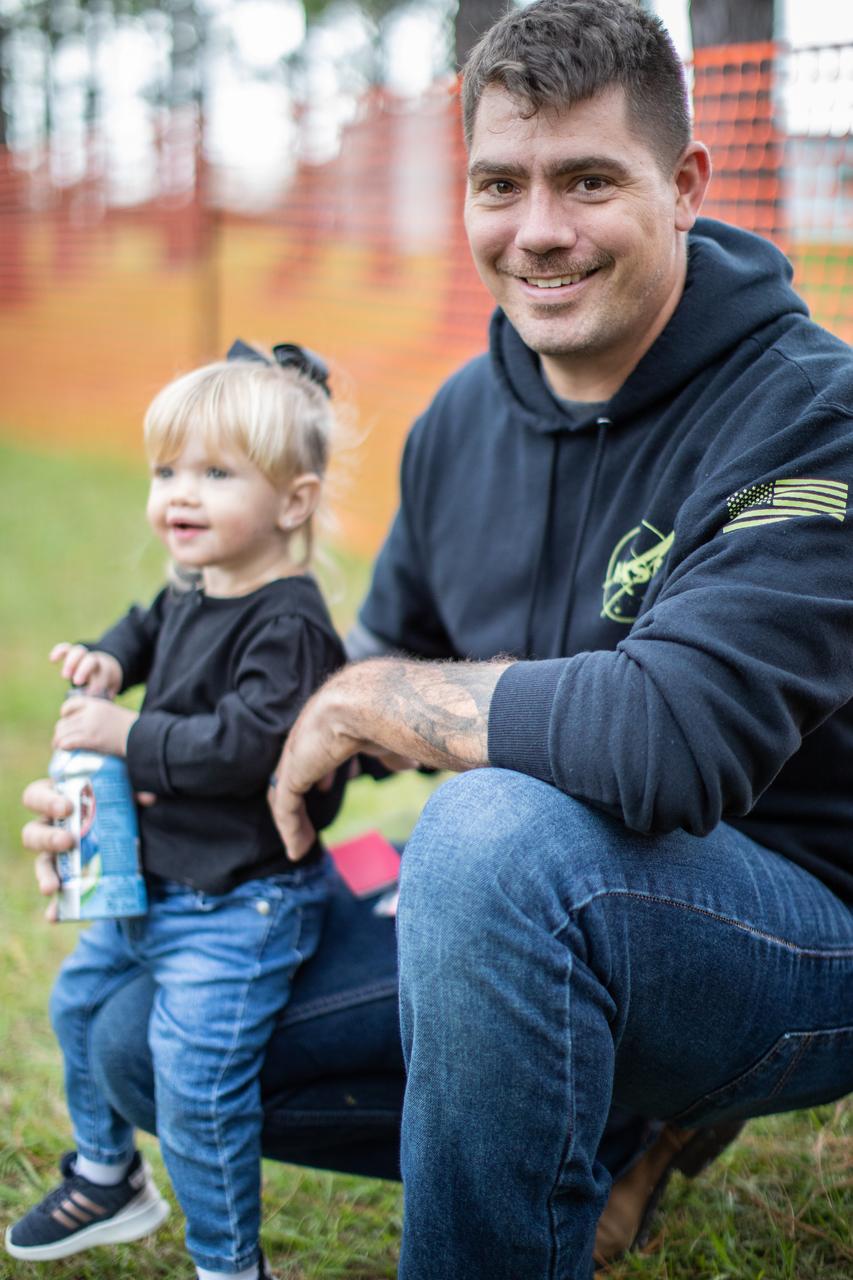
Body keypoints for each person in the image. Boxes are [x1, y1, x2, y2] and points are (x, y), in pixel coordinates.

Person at [18, 0, 853, 1276]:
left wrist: (374, 702)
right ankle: (609, 1123)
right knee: (144, 1031)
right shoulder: (459, 419)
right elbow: (336, 700)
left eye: (587, 180)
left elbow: (675, 741)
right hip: (541, 902)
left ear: (685, 182)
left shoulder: (809, 407)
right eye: (498, 183)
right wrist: (143, 774)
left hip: (789, 930)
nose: (538, 231)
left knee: (485, 837)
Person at [7, 342, 347, 1280]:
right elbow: (148, 622)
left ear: (293, 501)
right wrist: (111, 660)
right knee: (77, 1007)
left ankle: (228, 1264)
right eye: (166, 472)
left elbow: (249, 747)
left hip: (240, 906)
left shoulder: (290, 623)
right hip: (157, 883)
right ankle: (108, 1174)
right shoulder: (197, 582)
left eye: (213, 472)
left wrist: (126, 734)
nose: (178, 495)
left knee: (197, 1086)